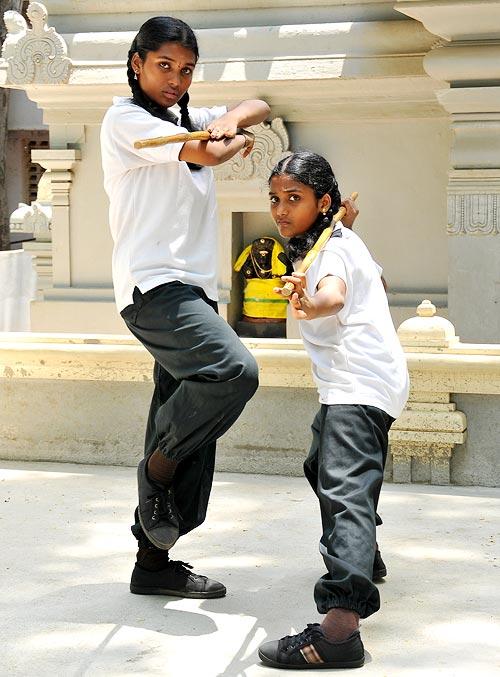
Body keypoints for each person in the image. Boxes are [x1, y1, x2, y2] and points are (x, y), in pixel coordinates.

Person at [100, 16, 270, 599]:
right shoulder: (125, 121)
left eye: (187, 70)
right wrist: (219, 139)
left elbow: (258, 104)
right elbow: (207, 154)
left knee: (188, 417)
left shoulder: (186, 118)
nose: (175, 79)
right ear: (136, 63)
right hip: (153, 288)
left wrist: (229, 120)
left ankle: (153, 563)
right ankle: (157, 468)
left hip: (194, 291)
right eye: (164, 66)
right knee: (233, 372)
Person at [258, 151, 409, 669]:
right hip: (371, 382)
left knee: (344, 493)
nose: (281, 210)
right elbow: (379, 287)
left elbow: (334, 297)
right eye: (276, 199)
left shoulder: (331, 253)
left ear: (323, 202)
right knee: (321, 468)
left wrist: (306, 301)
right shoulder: (340, 240)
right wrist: (335, 232)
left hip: (355, 382)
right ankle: (363, 556)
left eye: (294, 199)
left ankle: (339, 632)